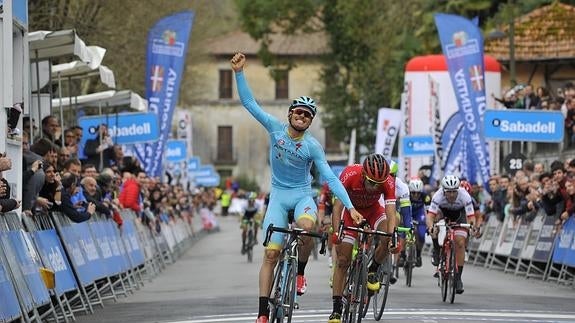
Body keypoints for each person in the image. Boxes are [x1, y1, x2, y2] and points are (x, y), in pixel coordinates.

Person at [231, 52, 364, 323]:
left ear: (310, 122)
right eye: (299, 112)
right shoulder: (274, 128)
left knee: (306, 228)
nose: (302, 117)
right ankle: (262, 312)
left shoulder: (313, 146)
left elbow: (331, 178)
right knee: (271, 253)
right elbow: (249, 103)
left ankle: (300, 270)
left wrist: (350, 207)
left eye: (308, 115)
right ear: (290, 114)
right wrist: (239, 72)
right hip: (279, 196)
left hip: (303, 195)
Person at [329, 154, 398, 323]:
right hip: (350, 212)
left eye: (379, 184)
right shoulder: (350, 173)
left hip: (374, 211)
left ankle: (373, 268)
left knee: (387, 238)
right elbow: (337, 207)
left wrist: (392, 235)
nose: (375, 188)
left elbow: (390, 213)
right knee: (343, 260)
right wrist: (337, 231)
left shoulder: (387, 181)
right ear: (363, 175)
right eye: (372, 183)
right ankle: (336, 309)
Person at [426, 175, 479, 295]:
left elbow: (471, 217)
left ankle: (458, 278)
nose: (451, 195)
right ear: (443, 191)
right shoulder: (438, 196)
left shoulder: (464, 195)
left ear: (458, 190)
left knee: (460, 242)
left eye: (454, 192)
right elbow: (430, 216)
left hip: (459, 214)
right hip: (442, 212)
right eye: (448, 192)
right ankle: (436, 249)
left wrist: (472, 227)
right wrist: (431, 227)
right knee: (434, 226)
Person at [388, 160, 413, 274]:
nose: (388, 179)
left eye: (391, 176)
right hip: (377, 208)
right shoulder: (376, 184)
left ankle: (392, 263)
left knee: (396, 219)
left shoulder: (402, 187)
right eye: (386, 176)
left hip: (393, 210)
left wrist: (409, 230)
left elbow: (406, 213)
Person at [408, 177, 430, 267]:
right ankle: (402, 254)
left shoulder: (426, 196)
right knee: (403, 230)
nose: (416, 195)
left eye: (418, 193)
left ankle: (418, 255)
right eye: (413, 193)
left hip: (419, 214)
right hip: (408, 212)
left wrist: (428, 224)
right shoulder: (406, 194)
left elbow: (429, 212)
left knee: (421, 235)